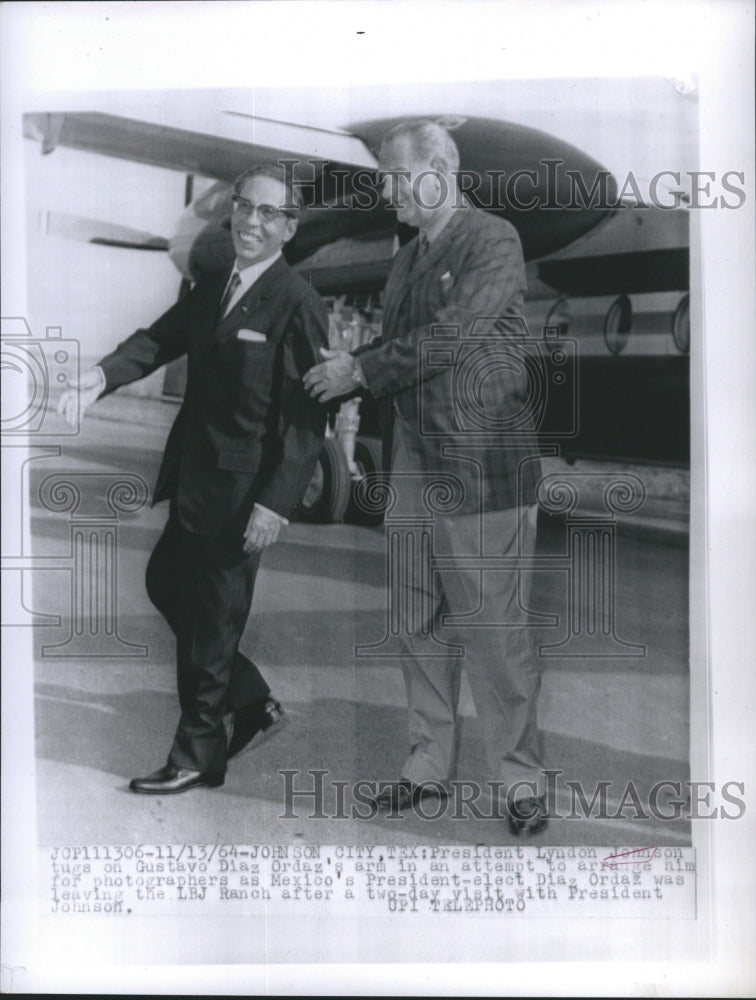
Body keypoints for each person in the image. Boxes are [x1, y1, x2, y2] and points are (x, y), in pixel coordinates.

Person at [304, 121, 548, 836]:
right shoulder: (407, 257)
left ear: (440, 169)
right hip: (415, 456)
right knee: (416, 619)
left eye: (397, 178)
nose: (388, 192)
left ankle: (521, 782)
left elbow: (455, 334)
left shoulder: (492, 238)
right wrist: (349, 368)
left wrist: (363, 369)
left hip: (480, 463)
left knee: (494, 631)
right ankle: (425, 766)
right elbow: (397, 345)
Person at [58, 163, 329, 794]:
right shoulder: (215, 282)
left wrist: (276, 503)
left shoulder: (298, 303)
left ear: (288, 228)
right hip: (196, 481)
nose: (251, 222)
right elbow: (158, 340)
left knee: (213, 624)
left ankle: (195, 755)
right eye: (245, 207)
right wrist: (97, 378)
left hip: (243, 495)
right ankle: (252, 703)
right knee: (165, 583)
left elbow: (307, 417)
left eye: (268, 214)